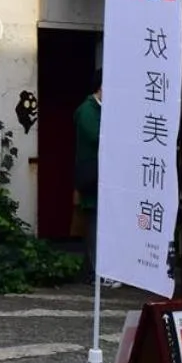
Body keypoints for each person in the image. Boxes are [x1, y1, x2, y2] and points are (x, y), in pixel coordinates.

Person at [74, 74, 102, 275]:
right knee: (93, 219)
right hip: (92, 173)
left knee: (100, 220)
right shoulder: (87, 111)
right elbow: (97, 136)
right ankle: (93, 271)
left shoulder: (99, 109)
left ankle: (90, 269)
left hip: (100, 173)